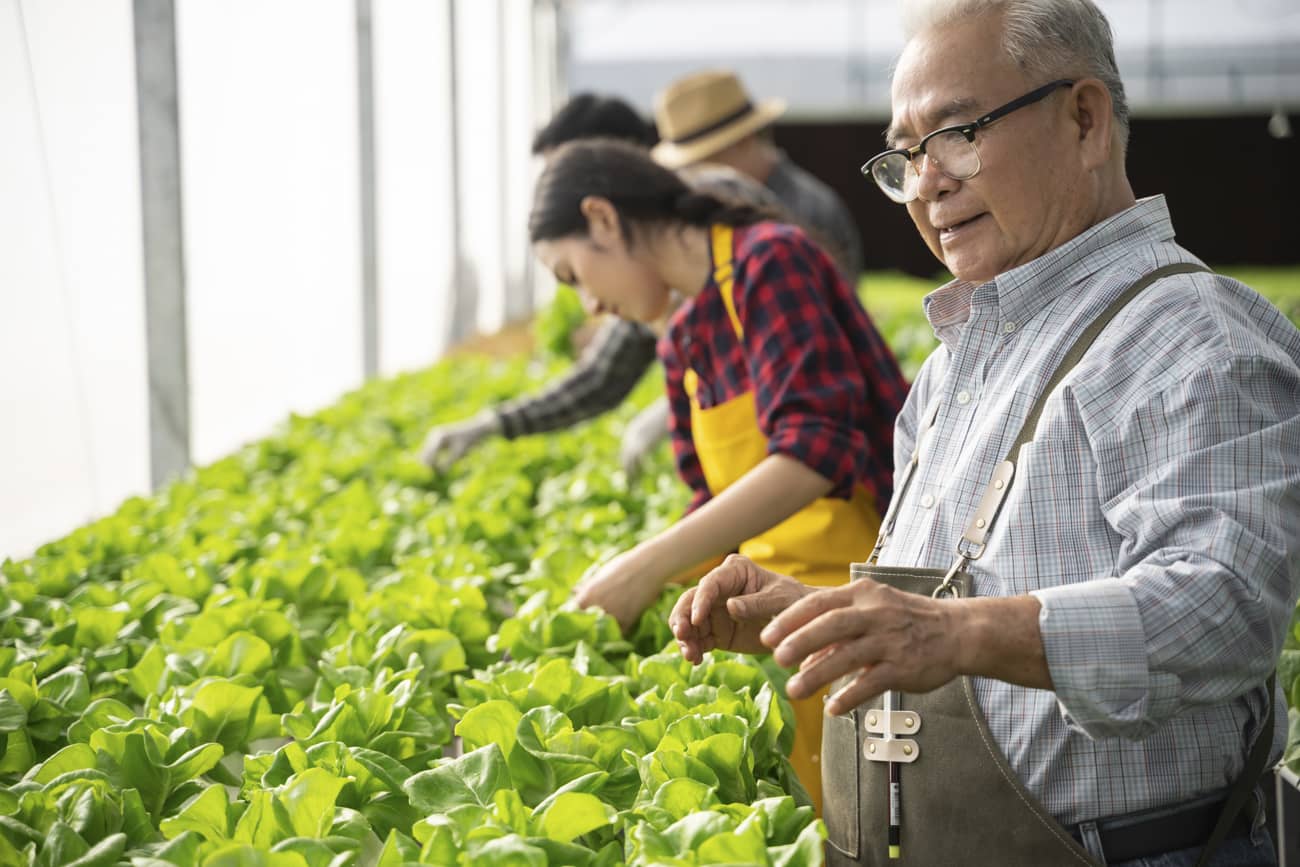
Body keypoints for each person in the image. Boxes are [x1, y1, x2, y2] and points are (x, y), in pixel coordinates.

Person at [670, 2, 1300, 866]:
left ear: (1084, 118)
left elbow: (1224, 608)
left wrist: (955, 634)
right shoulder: (952, 368)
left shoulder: (1190, 332)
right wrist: (809, 614)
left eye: (958, 133)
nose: (927, 182)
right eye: (906, 155)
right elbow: (954, 601)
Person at [529, 138, 908, 816]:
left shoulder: (771, 260)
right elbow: (712, 501)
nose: (588, 303)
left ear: (604, 219)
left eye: (574, 273)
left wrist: (645, 566)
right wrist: (610, 589)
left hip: (879, 600)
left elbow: (812, 452)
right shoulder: (682, 337)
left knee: (880, 820)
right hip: (784, 618)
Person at [421, 74, 868, 477]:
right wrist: (492, 424)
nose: (591, 304)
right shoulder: (679, 324)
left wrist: (642, 565)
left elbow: (814, 441)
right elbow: (603, 377)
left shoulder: (771, 248)